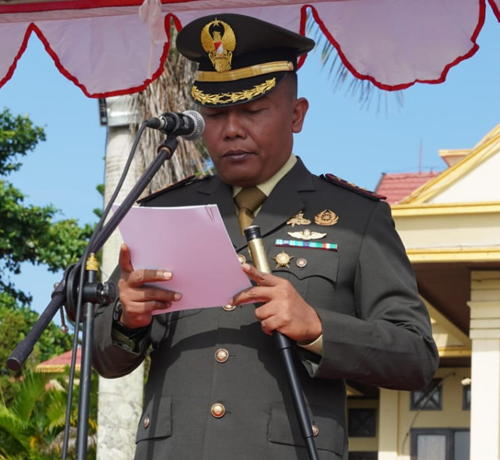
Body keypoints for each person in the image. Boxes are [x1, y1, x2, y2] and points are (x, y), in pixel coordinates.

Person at [93, 13, 439, 460]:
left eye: (252, 111)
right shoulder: (166, 210)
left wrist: (316, 327)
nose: (231, 128)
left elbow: (415, 355)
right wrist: (127, 318)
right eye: (215, 114)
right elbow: (107, 359)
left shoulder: (357, 218)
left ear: (296, 115)